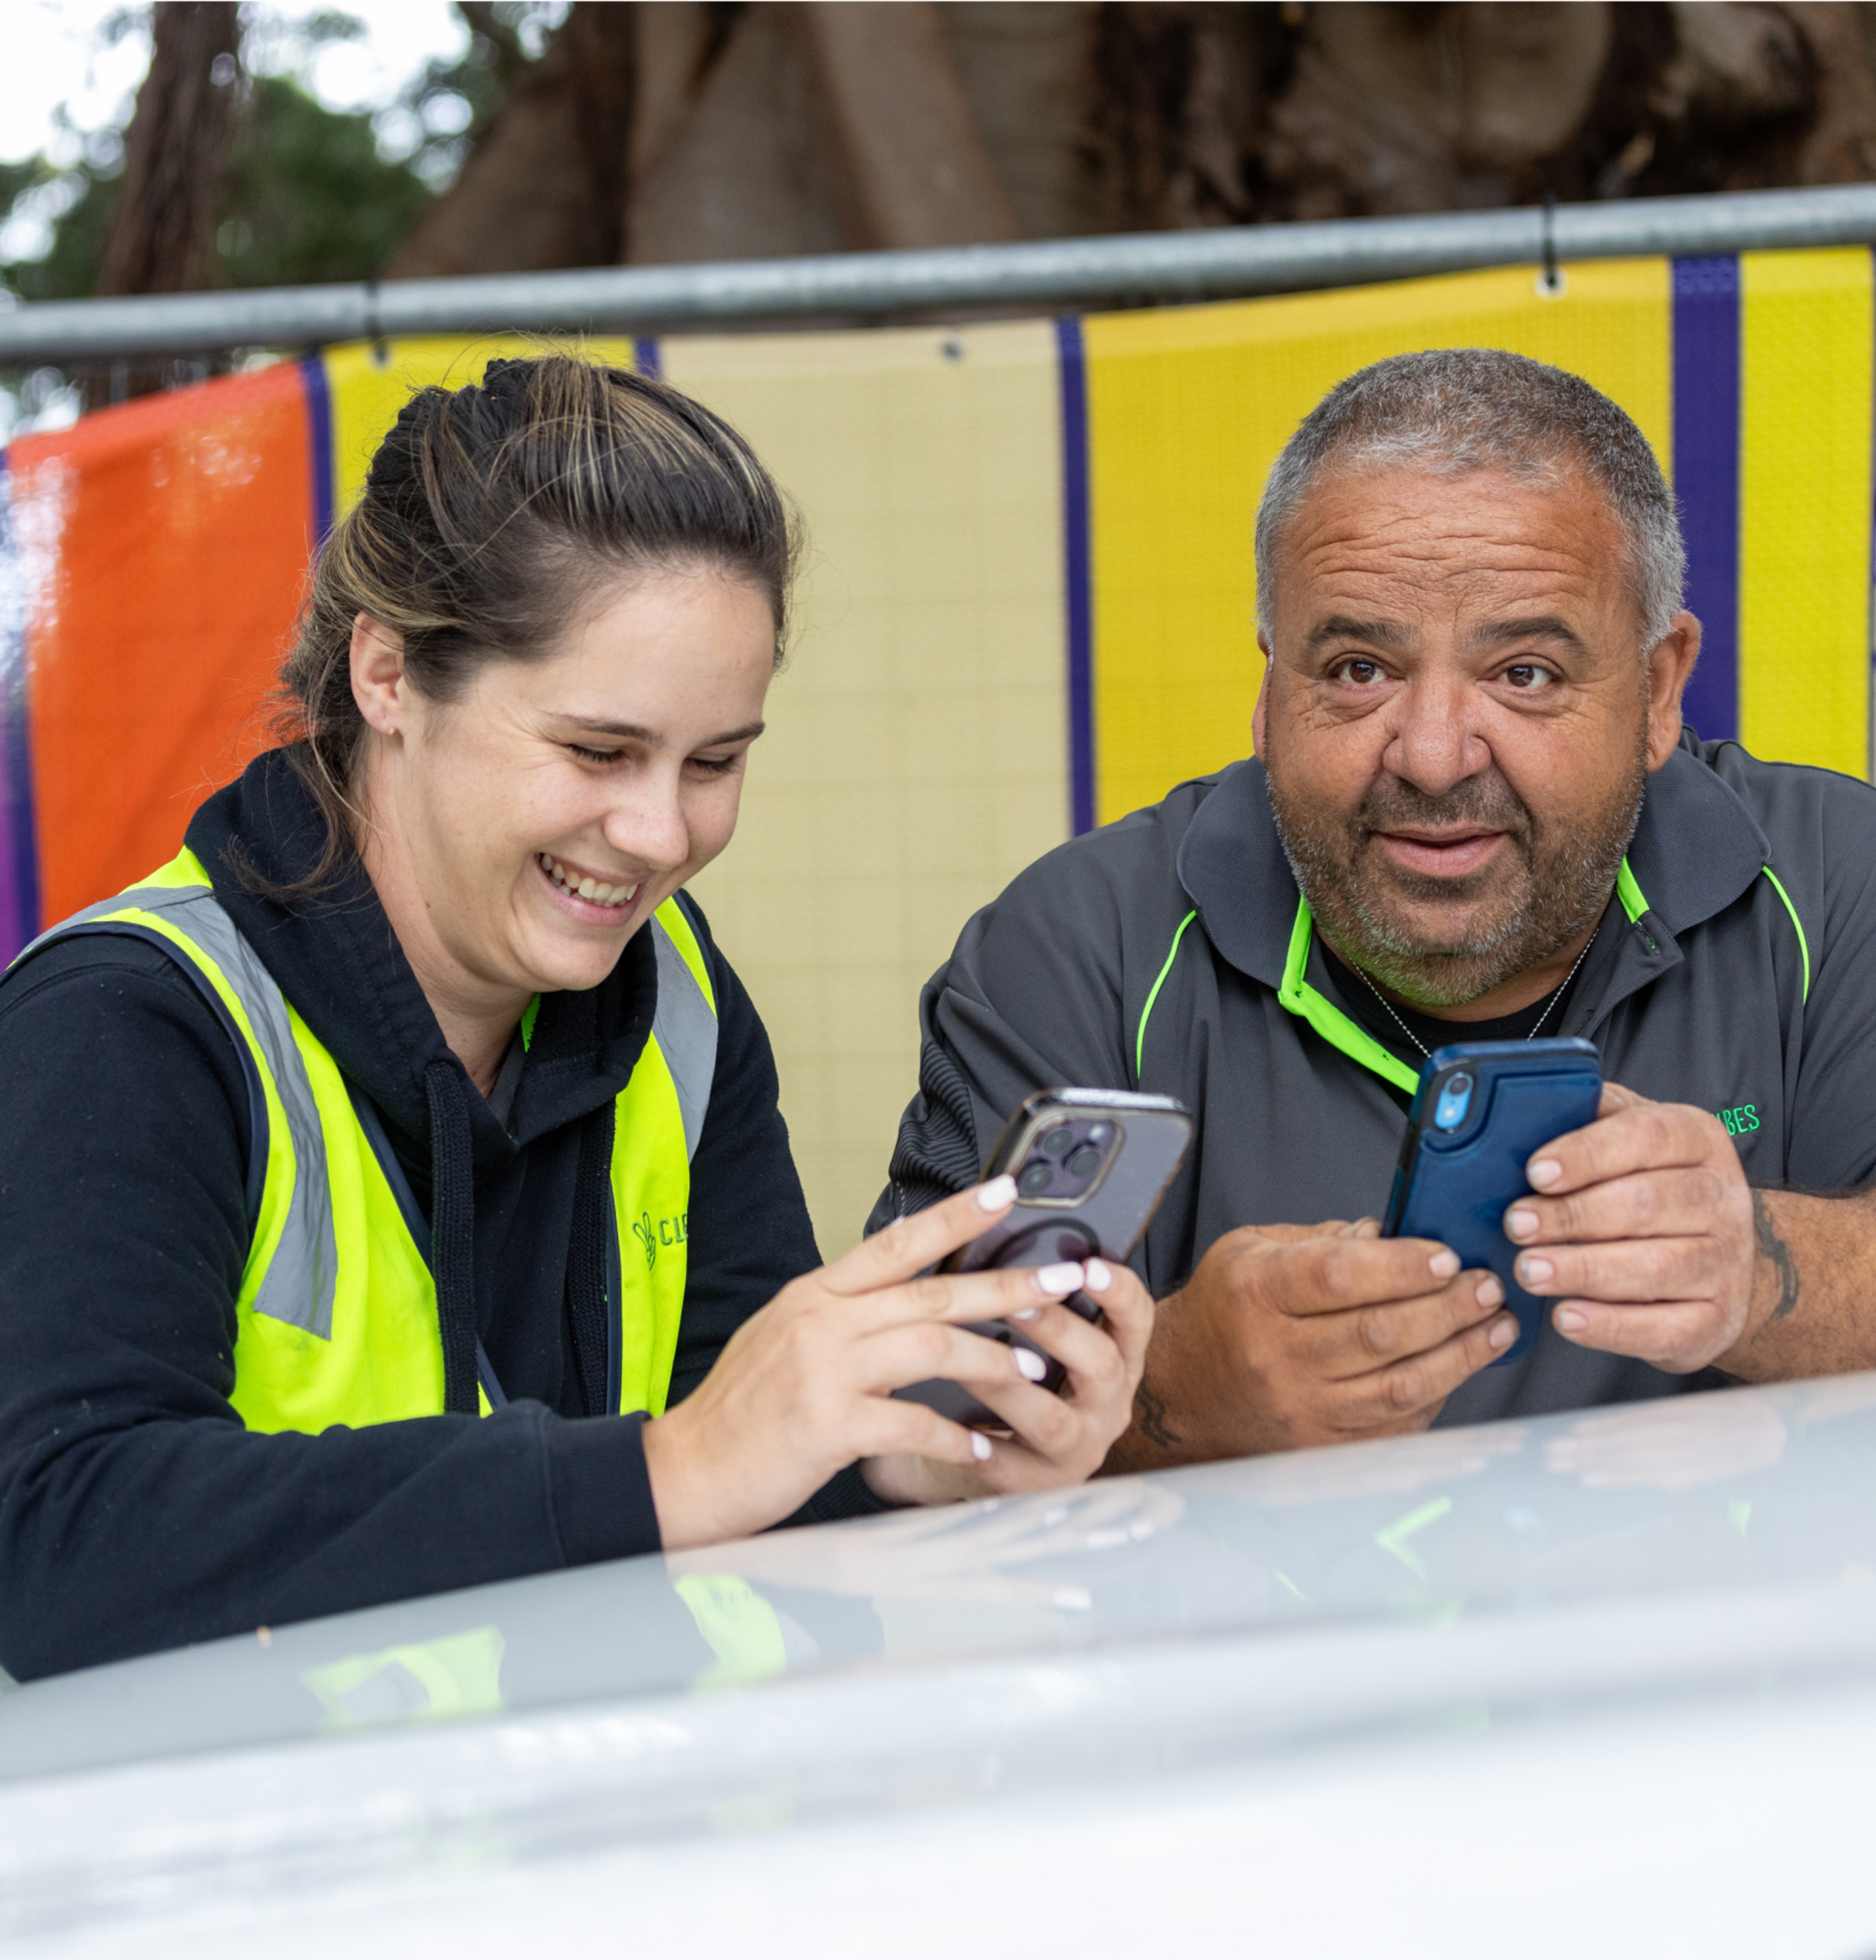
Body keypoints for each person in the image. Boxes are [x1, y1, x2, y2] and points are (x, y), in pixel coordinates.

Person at [0, 356, 1153, 1682]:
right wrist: (670, 1466)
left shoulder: (679, 1000)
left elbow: (744, 1493)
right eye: (599, 752)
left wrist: (914, 1464)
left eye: (716, 762)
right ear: (387, 674)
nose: (662, 835)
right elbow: (54, 1546)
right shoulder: (124, 1026)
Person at [874, 346, 1876, 1471]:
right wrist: (1170, 1400)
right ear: (1268, 694)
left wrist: (1766, 1270)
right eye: (1358, 669)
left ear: (1657, 688)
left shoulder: (1841, 882)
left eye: (1526, 672)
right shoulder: (1074, 949)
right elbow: (897, 1453)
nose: (1436, 755)